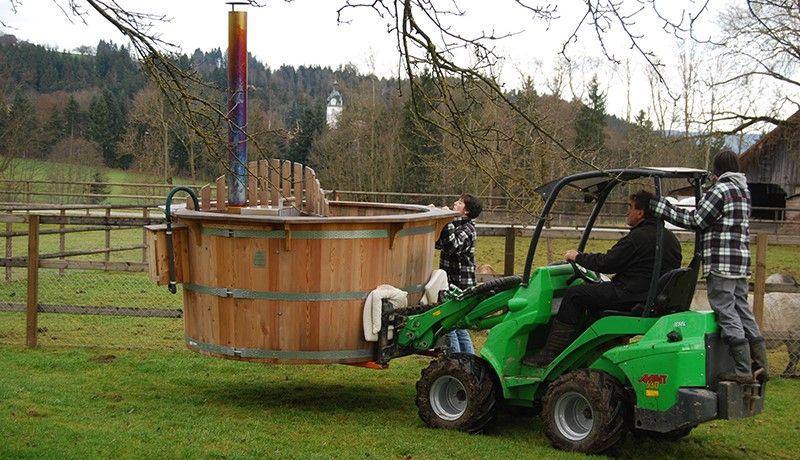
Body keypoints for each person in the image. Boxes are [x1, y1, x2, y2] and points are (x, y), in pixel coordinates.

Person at [522, 190, 682, 367]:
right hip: (648, 297)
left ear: (640, 212)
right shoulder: (671, 239)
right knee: (592, 297)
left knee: (575, 294)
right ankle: (592, 351)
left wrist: (578, 257)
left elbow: (608, 263)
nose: (627, 212)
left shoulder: (637, 238)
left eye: (630, 207)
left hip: (629, 295)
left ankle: (551, 353)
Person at [650, 150, 767, 383]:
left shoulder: (721, 190)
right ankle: (760, 366)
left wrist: (663, 208)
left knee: (726, 312)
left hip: (721, 262)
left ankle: (742, 371)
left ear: (717, 170)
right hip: (740, 262)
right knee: (743, 310)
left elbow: (696, 221)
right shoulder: (743, 190)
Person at [436, 193, 482, 355]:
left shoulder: (468, 229)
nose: (455, 203)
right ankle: (469, 362)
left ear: (467, 211)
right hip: (451, 283)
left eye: (460, 202)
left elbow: (452, 246)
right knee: (459, 327)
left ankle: (455, 361)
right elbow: (439, 244)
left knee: (449, 326)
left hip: (461, 287)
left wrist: (447, 220)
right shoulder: (456, 226)